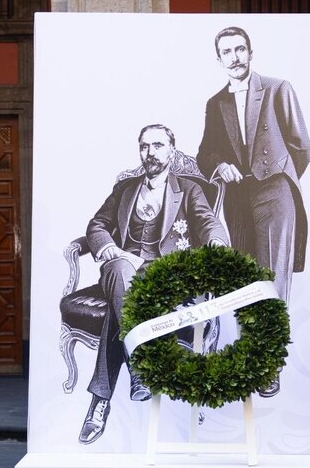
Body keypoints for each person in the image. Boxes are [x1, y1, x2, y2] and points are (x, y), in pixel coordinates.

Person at [78, 123, 229, 444]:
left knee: (115, 315)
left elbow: (208, 222)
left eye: (158, 146)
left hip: (166, 276)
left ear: (171, 151)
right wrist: (109, 247)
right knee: (119, 271)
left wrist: (217, 242)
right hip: (124, 268)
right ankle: (143, 369)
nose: (151, 153)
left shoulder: (188, 189)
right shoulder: (125, 190)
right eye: (145, 147)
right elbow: (97, 224)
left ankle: (99, 403)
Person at [196, 25, 310, 397]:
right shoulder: (217, 103)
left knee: (274, 279)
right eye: (227, 52)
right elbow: (204, 153)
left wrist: (278, 178)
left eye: (240, 49)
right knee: (247, 279)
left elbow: (301, 146)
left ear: (250, 52)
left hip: (275, 193)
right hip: (238, 200)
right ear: (219, 60)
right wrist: (219, 166)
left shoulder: (278, 89)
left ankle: (270, 364)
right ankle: (252, 357)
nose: (235, 57)